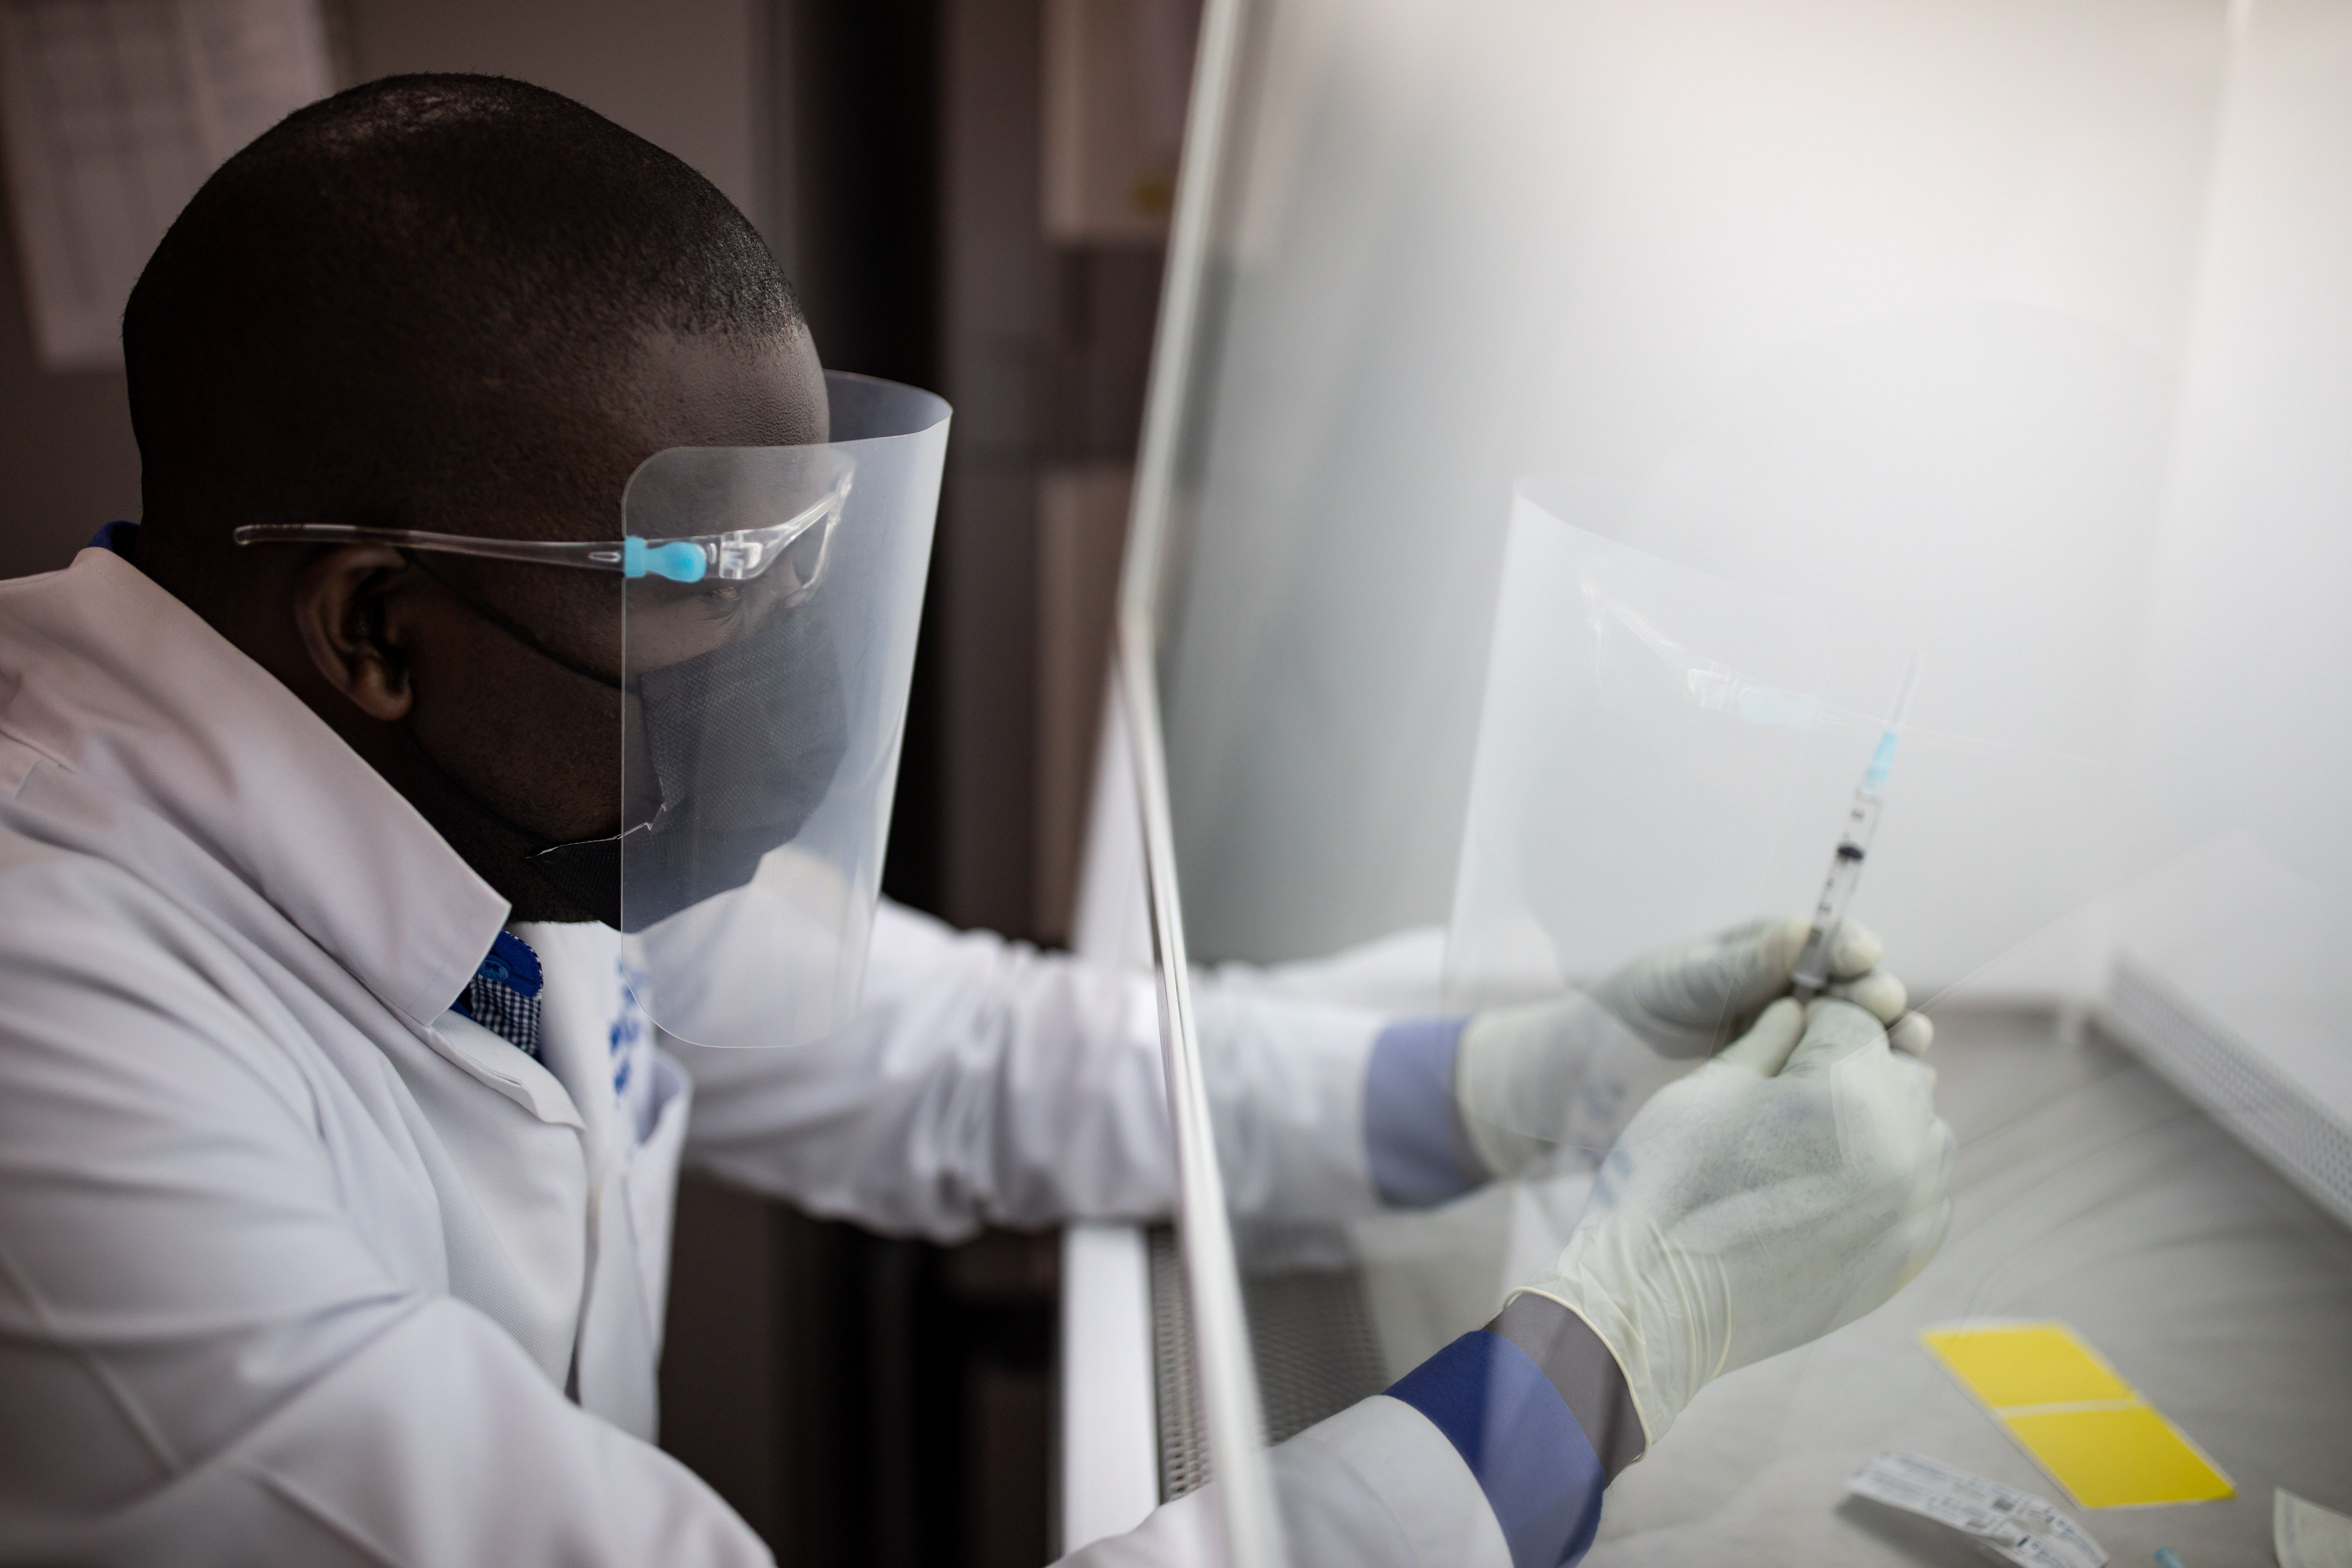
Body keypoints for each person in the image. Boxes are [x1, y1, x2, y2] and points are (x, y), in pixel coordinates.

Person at [0, 75, 1953, 1567]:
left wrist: (1525, 1072)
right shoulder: (64, 1068)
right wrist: (1607, 1350)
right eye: (707, 562)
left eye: (808, 557)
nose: (785, 645)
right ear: (372, 627)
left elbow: (964, 1056)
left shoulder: (493, 803)